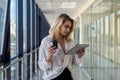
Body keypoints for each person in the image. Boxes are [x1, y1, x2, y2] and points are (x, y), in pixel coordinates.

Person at [38, 13, 85, 80]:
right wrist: (48, 57)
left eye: (70, 28)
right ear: (58, 25)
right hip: (52, 77)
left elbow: (74, 62)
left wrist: (79, 56)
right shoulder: (46, 41)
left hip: (66, 74)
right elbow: (41, 66)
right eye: (66, 27)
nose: (68, 30)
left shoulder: (70, 42)